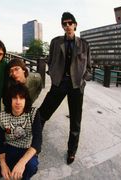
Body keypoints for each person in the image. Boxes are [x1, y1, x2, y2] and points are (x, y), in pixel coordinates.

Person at [39, 12, 91, 165]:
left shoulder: (84, 44)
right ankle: (35, 143)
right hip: (59, 83)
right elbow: (50, 59)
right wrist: (52, 74)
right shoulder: (56, 42)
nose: (67, 26)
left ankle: (71, 151)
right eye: (64, 23)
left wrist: (83, 79)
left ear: (75, 25)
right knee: (42, 114)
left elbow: (88, 65)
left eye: (70, 23)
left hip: (76, 86)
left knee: (75, 121)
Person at [0, 84, 43, 180]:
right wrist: (3, 165)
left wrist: (21, 163)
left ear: (26, 100)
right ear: (9, 100)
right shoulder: (1, 116)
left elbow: (37, 142)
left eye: (22, 98)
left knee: (31, 167)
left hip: (27, 149)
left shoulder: (33, 113)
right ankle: (12, 167)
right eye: (14, 98)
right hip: (9, 149)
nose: (18, 102)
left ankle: (22, 174)